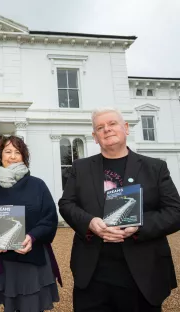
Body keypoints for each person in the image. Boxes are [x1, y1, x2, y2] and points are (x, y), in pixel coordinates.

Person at [59, 107, 180, 312]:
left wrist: (138, 226)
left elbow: (175, 212)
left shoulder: (155, 167)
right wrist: (89, 222)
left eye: (112, 124)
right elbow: (66, 204)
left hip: (143, 272)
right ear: (95, 137)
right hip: (94, 274)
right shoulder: (81, 168)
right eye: (100, 127)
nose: (107, 129)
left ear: (126, 128)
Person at [0, 135, 61, 312]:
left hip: (32, 256)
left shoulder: (37, 185)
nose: (12, 156)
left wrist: (32, 236)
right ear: (0, 156)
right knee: (10, 306)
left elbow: (49, 217)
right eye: (8, 151)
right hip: (4, 257)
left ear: (24, 157)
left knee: (32, 306)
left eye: (17, 152)